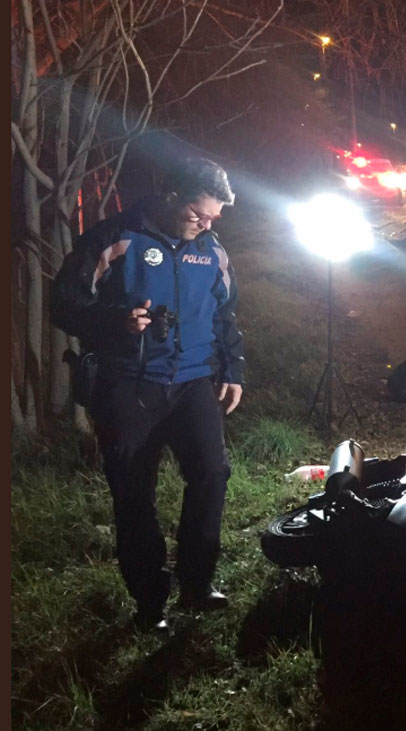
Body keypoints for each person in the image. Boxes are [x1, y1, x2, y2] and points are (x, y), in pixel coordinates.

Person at [52, 158, 245, 632]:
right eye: (200, 215)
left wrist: (233, 367)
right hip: (127, 385)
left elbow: (226, 314)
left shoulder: (210, 249)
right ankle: (150, 600)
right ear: (171, 197)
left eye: (215, 218)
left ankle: (197, 582)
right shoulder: (114, 238)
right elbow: (64, 303)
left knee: (212, 473)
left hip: (193, 380)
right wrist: (114, 320)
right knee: (134, 494)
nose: (207, 224)